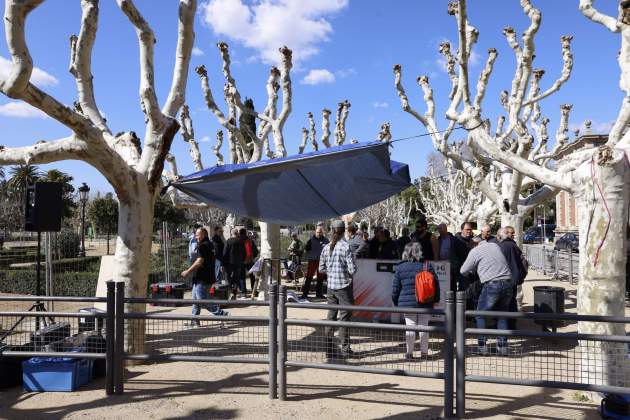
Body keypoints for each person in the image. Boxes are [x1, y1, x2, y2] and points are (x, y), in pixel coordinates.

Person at [460, 236, 513, 355]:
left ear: (473, 244)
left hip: (493, 283)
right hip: (508, 282)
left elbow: (463, 270)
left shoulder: (475, 251)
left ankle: (482, 347)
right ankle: (502, 348)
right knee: (502, 315)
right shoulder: (494, 245)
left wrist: (473, 269)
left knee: (480, 315)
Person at [392, 242, 440, 359]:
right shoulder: (427, 266)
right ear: (419, 252)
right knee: (424, 326)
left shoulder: (400, 267)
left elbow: (395, 288)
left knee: (410, 326)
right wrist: (435, 300)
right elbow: (436, 285)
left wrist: (396, 302)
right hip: (426, 301)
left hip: (407, 303)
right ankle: (424, 353)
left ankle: (409, 353)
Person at [319, 220, 357, 358]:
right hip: (344, 287)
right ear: (343, 231)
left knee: (331, 317)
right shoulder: (346, 247)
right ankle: (345, 350)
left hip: (331, 287)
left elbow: (321, 269)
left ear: (332, 231)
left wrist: (331, 272)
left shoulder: (326, 247)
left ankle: (329, 350)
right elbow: (353, 270)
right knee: (345, 318)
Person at [180, 228, 226, 325]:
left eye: (198, 235)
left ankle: (222, 314)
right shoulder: (209, 244)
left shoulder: (203, 246)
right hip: (202, 277)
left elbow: (199, 261)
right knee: (195, 300)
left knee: (202, 300)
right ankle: (194, 320)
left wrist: (187, 271)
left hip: (202, 278)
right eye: (195, 234)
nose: (196, 236)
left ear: (204, 234)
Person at [497, 226, 528, 312]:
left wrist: (520, 276)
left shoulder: (501, 246)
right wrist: (520, 276)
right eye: (512, 233)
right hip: (512, 279)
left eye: (514, 233)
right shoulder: (513, 246)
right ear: (506, 234)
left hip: (505, 280)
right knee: (511, 302)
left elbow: (524, 263)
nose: (513, 235)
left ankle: (507, 322)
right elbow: (524, 263)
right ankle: (511, 322)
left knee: (506, 303)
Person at [437, 223, 469, 292]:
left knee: (453, 284)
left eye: (440, 229)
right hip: (442, 266)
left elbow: (459, 252)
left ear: (445, 229)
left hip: (452, 265)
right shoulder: (438, 239)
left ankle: (454, 299)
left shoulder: (453, 239)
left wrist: (456, 263)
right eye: (438, 229)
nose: (439, 231)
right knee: (444, 284)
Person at [301, 226, 329, 299]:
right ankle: (305, 294)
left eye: (320, 232)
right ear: (315, 232)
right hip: (312, 261)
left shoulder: (326, 241)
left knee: (320, 279)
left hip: (322, 261)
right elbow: (306, 249)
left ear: (322, 233)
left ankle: (319, 294)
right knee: (309, 277)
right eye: (317, 232)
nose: (319, 233)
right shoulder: (310, 240)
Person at [223, 228, 246, 299]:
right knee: (236, 278)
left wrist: (222, 264)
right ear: (237, 233)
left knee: (228, 278)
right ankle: (234, 293)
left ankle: (229, 292)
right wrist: (242, 260)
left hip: (229, 263)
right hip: (238, 263)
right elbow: (244, 253)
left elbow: (225, 253)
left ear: (231, 233)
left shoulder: (228, 241)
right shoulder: (241, 241)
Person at [240, 228, 259, 295]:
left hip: (241, 262)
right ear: (245, 233)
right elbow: (256, 251)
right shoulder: (250, 240)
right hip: (250, 261)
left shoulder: (238, 240)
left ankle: (243, 292)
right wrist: (252, 257)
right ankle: (254, 291)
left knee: (242, 277)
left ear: (240, 233)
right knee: (252, 276)